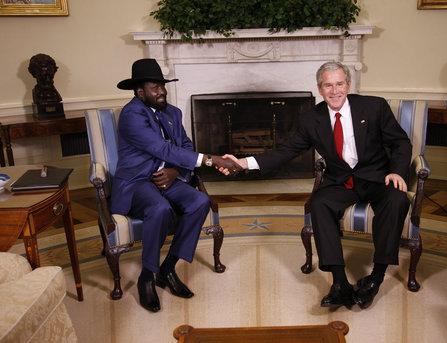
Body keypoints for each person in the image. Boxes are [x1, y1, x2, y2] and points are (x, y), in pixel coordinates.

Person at [221, 61, 412, 309]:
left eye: (339, 84)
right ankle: (340, 282)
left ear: (348, 85)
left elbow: (401, 143)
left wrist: (397, 171)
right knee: (319, 203)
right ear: (320, 89)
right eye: (328, 85)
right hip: (342, 182)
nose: (335, 91)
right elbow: (285, 151)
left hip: (378, 177)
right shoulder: (312, 119)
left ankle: (375, 278)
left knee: (397, 200)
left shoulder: (374, 107)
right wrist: (243, 163)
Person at [113, 58, 242, 312]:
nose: (161, 91)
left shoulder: (172, 112)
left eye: (162, 85)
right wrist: (209, 160)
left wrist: (175, 171)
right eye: (154, 88)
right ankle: (147, 277)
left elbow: (183, 147)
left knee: (200, 201)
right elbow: (160, 148)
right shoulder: (131, 115)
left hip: (167, 178)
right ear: (140, 92)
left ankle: (168, 268)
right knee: (160, 209)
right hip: (138, 181)